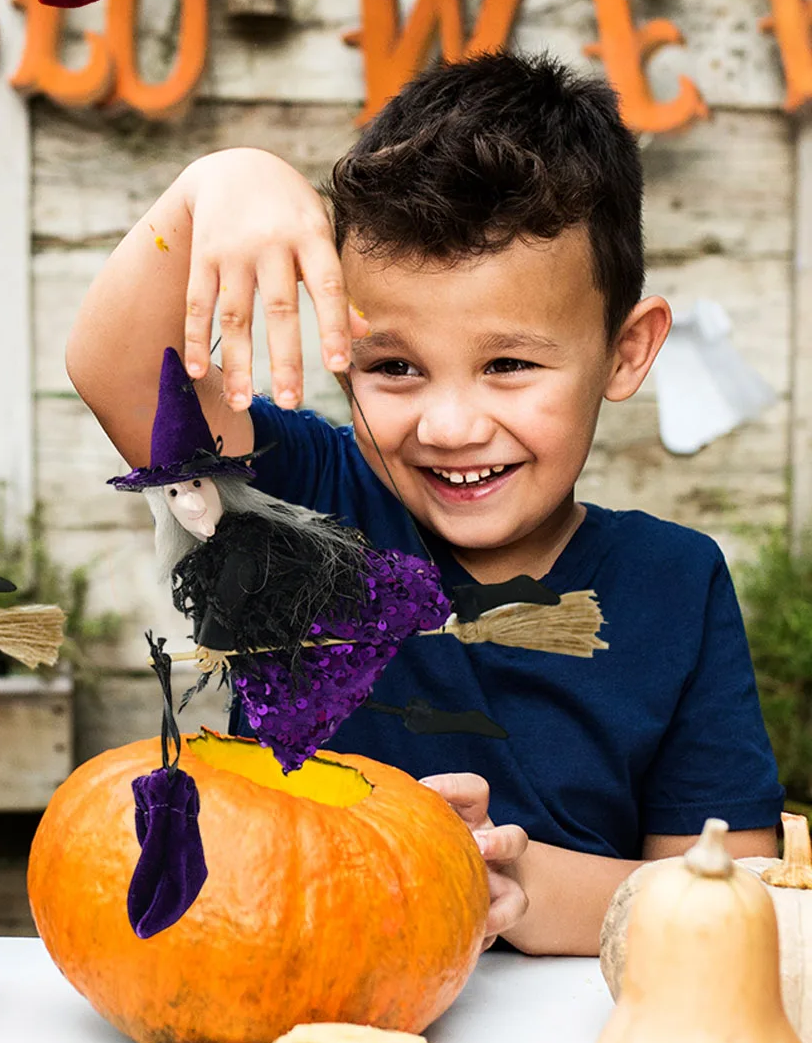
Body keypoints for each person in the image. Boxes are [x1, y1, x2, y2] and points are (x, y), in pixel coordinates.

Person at [66, 50, 783, 955]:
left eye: (509, 365)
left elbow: (734, 906)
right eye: (395, 368)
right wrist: (217, 183)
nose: (449, 426)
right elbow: (115, 373)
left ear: (627, 352)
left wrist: (512, 883)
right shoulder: (298, 502)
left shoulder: (677, 583)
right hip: (294, 1009)